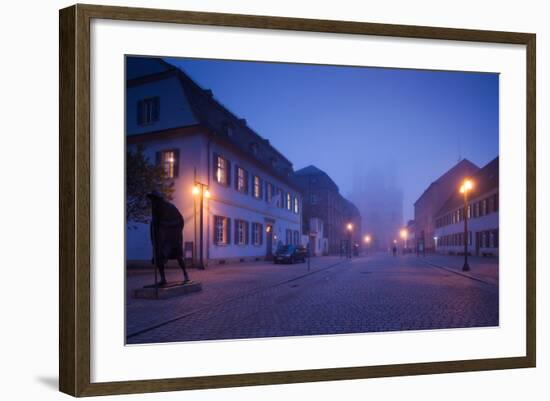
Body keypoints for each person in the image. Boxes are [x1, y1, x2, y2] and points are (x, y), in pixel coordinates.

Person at [147, 191, 190, 286]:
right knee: (158, 256)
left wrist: (166, 226)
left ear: (158, 199)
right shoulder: (155, 208)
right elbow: (155, 223)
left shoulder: (170, 207)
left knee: (178, 256)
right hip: (161, 238)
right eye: (151, 199)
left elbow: (180, 221)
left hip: (172, 237)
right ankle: (163, 279)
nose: (152, 201)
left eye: (153, 199)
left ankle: (185, 274)